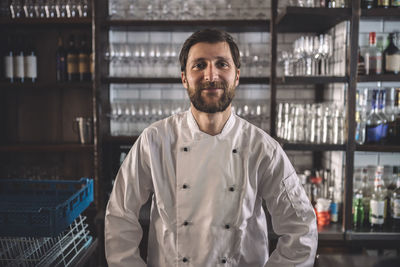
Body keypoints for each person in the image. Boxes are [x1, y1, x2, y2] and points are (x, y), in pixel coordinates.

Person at [105, 28, 318, 267]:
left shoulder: (262, 148)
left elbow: (301, 229)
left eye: (222, 64)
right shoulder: (154, 141)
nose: (211, 75)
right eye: (199, 65)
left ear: (237, 76)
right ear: (184, 78)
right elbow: (119, 215)